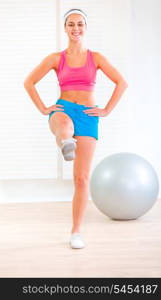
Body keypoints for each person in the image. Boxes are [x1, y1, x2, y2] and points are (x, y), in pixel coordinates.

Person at [24, 8, 128, 249]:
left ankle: (76, 232)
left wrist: (106, 110)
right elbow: (29, 81)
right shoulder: (55, 58)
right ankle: (66, 141)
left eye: (80, 24)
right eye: (71, 24)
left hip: (88, 116)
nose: (76, 28)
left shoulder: (96, 57)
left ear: (85, 27)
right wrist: (42, 108)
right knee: (64, 126)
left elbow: (122, 82)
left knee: (81, 179)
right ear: (65, 28)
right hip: (63, 109)